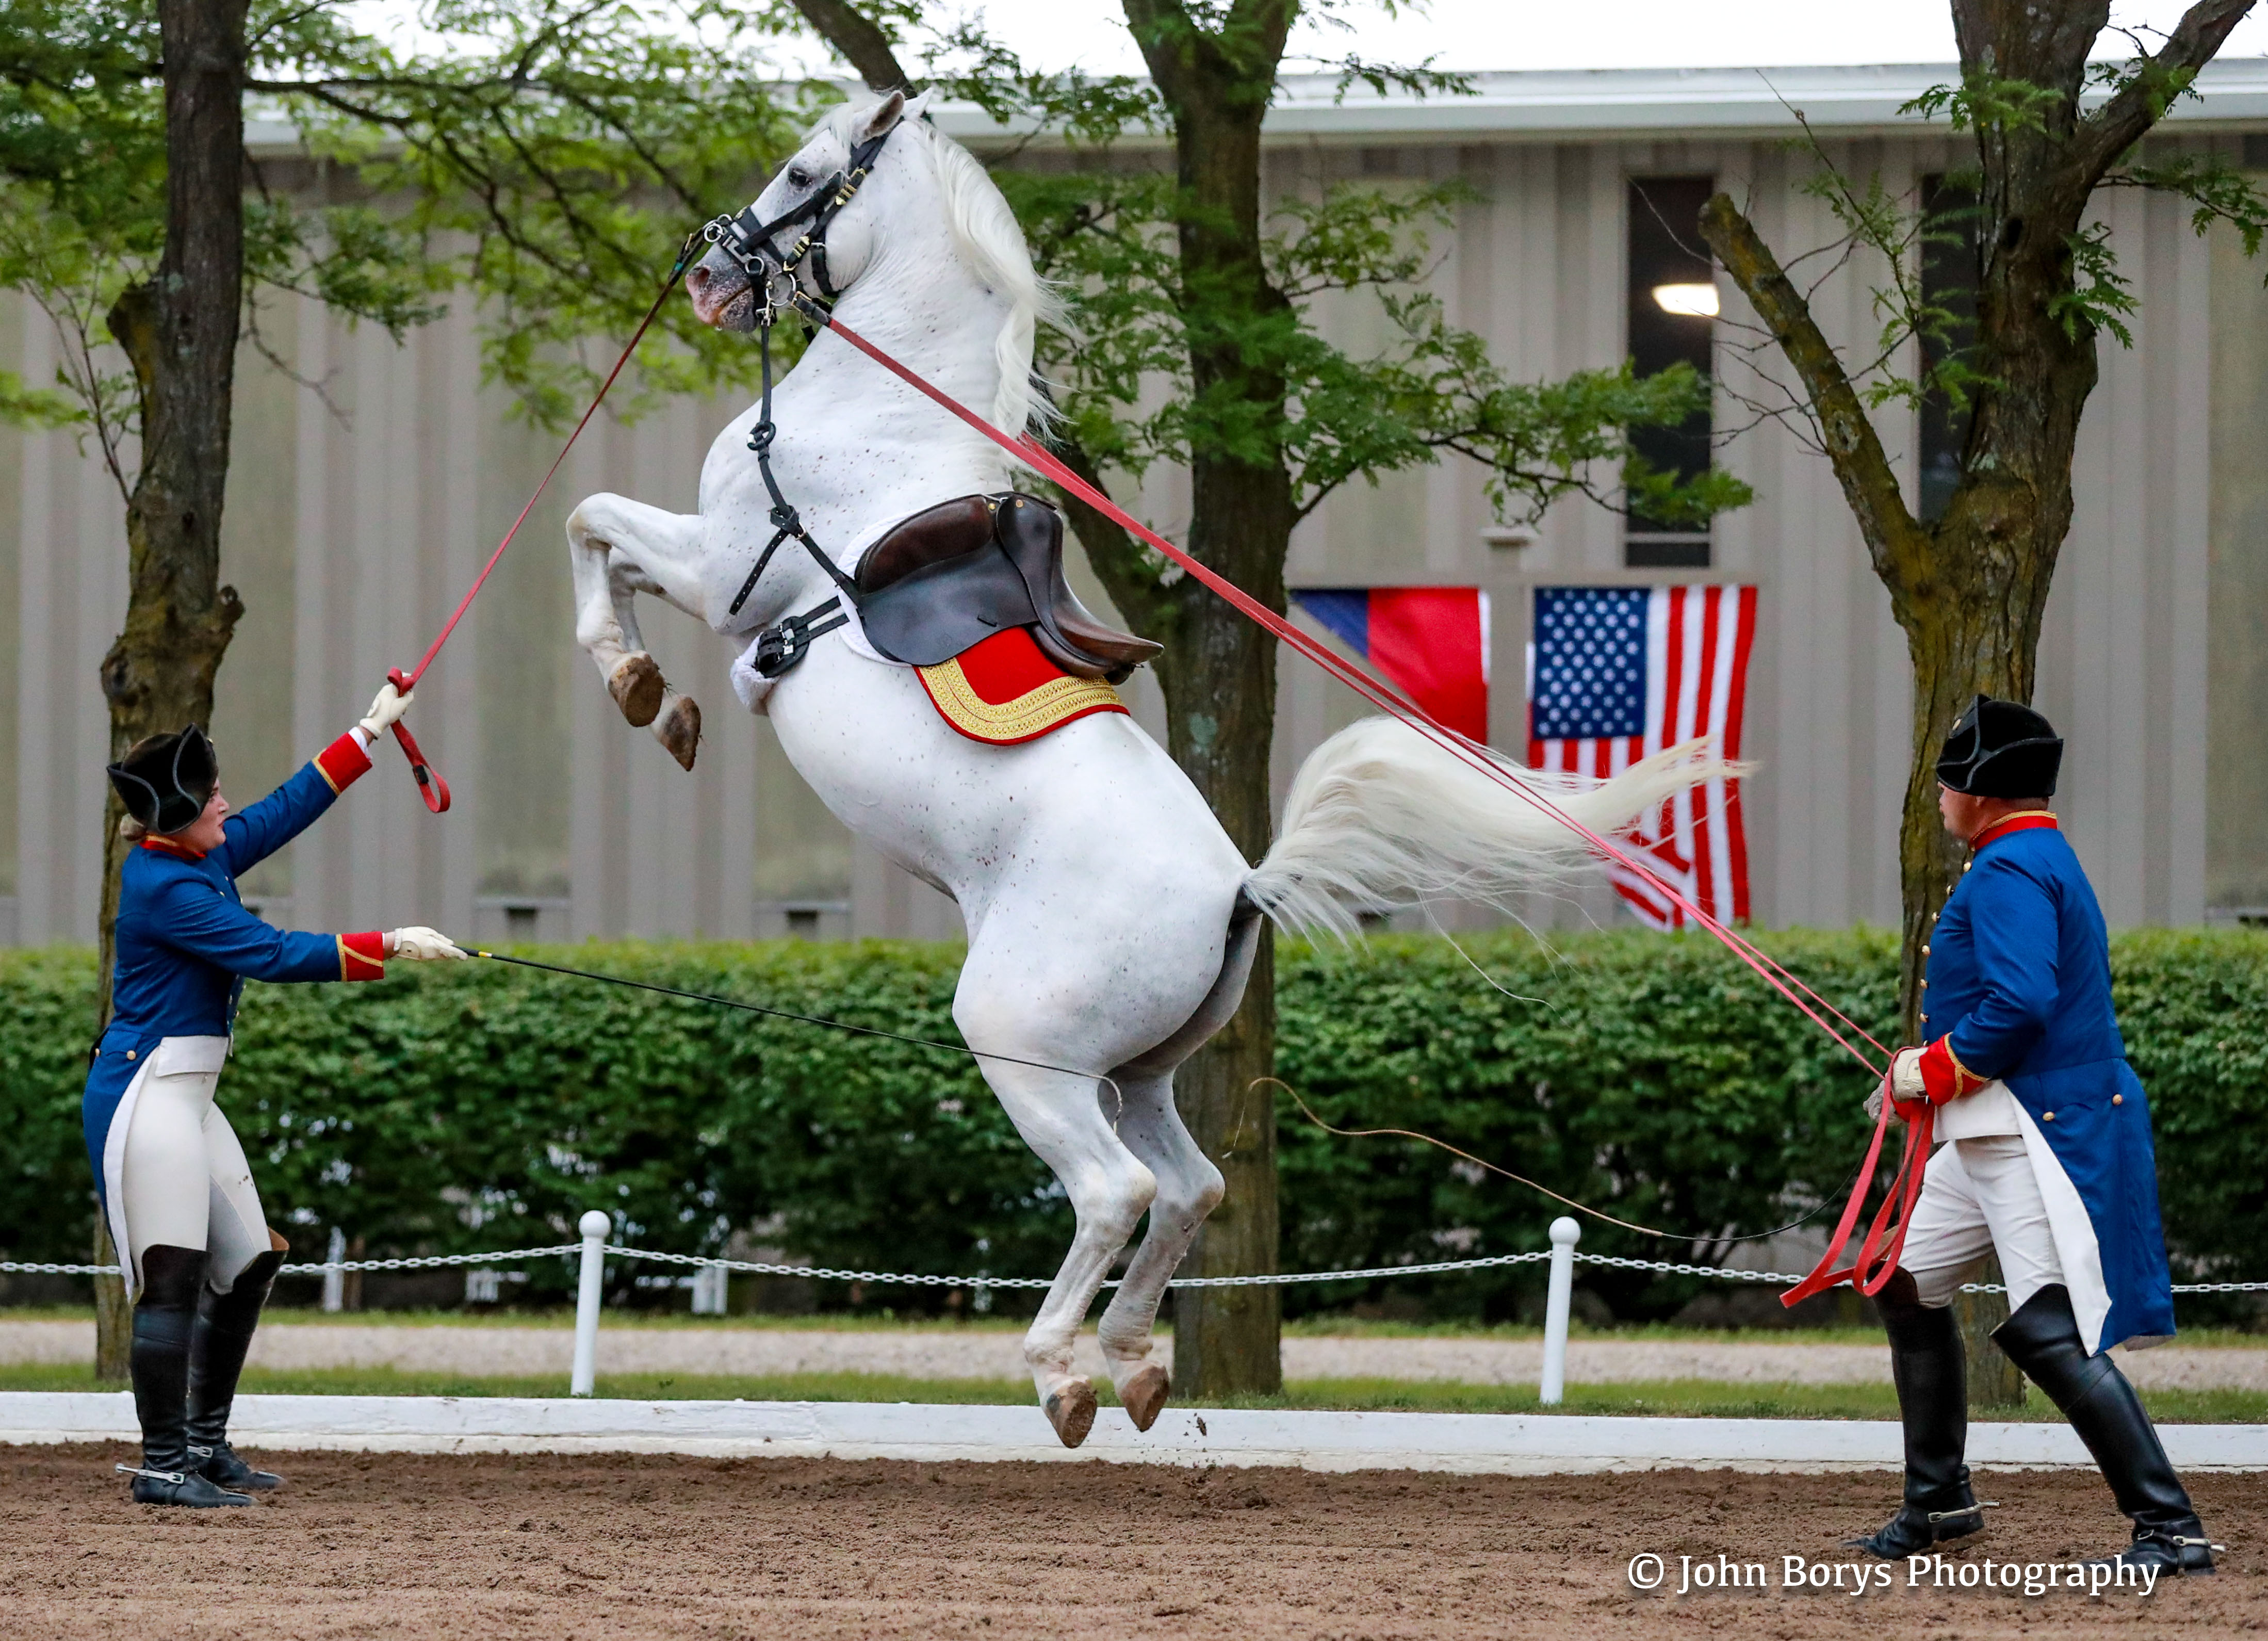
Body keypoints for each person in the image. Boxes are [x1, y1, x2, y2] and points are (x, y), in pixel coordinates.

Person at [1855, 695, 2216, 1574]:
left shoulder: (2009, 868)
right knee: (1903, 1282)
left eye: (1948, 778)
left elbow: (2020, 1004)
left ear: (1979, 791)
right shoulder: (2024, 856)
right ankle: (1939, 1501)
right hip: (1989, 1129)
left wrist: (1924, 1073)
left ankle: (2169, 1526)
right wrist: (1926, 1073)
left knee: (2049, 1331)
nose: (1939, 791)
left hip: (2023, 1131)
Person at [88, 687, 469, 1507]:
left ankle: (203, 1443)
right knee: (174, 1272)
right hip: (148, 1091)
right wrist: (390, 943)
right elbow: (268, 951)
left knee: (252, 1256)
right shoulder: (166, 887)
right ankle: (162, 1465)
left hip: (189, 1092)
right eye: (212, 793)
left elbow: (286, 809)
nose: (227, 800)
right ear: (179, 812)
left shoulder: (201, 853)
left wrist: (368, 731)